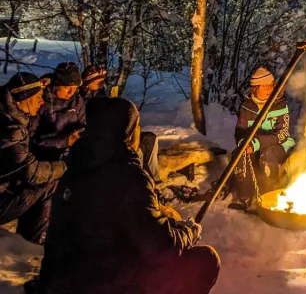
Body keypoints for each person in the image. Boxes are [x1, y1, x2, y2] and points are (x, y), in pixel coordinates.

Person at [35, 97, 220, 294]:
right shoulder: (128, 176)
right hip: (106, 283)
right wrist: (188, 233)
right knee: (205, 260)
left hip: (66, 282)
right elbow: (161, 248)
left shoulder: (75, 167)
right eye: (137, 126)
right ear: (128, 133)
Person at [0, 73, 66, 244]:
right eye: (37, 97)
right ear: (24, 98)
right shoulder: (10, 128)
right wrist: (65, 166)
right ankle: (30, 245)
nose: (41, 102)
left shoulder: (7, 113)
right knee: (50, 184)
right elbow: (30, 172)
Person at [229, 67, 295, 211]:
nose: (269, 88)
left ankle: (268, 198)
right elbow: (240, 131)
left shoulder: (280, 105)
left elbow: (281, 134)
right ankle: (244, 198)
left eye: (271, 85)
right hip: (255, 144)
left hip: (279, 145)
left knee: (268, 156)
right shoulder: (247, 107)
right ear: (255, 88)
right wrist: (243, 144)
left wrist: (258, 143)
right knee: (241, 154)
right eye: (265, 86)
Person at [32, 62, 86, 161]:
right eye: (66, 87)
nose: (71, 92)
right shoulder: (40, 101)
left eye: (74, 88)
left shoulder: (77, 101)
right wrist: (65, 142)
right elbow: (32, 139)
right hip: (43, 156)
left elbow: (82, 126)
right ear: (56, 85)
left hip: (70, 155)